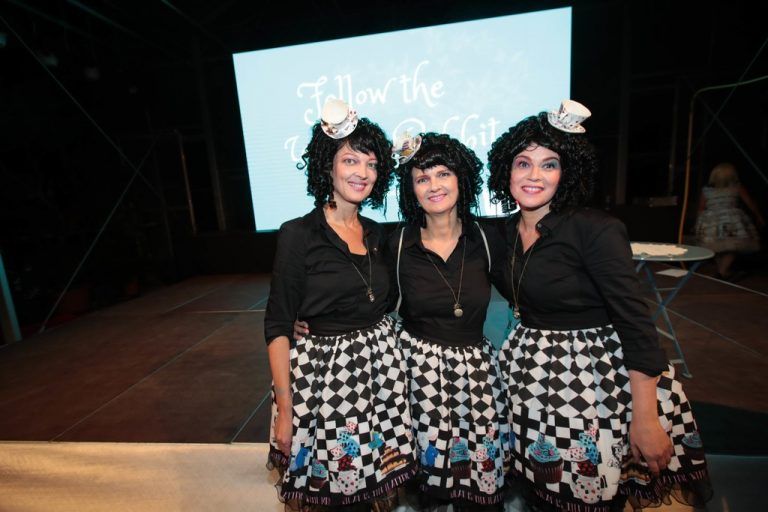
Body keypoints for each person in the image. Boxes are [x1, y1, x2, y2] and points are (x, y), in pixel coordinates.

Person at [487, 101, 712, 511]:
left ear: (567, 172)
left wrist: (645, 418)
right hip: (531, 380)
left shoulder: (595, 229)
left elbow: (636, 323)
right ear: (507, 170)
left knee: (601, 493)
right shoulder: (502, 233)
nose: (534, 175)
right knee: (552, 492)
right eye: (523, 163)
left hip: (597, 383)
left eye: (549, 164)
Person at [297, 132, 511, 510]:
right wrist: (305, 319)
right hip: (413, 380)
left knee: (478, 485)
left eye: (443, 174)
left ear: (461, 178)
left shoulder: (488, 237)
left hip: (475, 379)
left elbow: (529, 288)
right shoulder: (395, 243)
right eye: (422, 178)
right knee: (423, 489)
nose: (434, 186)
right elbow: (364, 294)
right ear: (411, 189)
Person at [265, 99, 416, 510]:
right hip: (323, 384)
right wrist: (285, 409)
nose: (362, 172)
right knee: (332, 492)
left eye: (371, 164)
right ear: (327, 166)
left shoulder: (378, 233)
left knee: (375, 486)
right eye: (350, 160)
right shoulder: (298, 234)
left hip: (379, 379)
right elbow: (277, 324)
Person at [694, 162, 764, 280]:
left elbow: (701, 208)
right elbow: (750, 203)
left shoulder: (707, 190)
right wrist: (758, 216)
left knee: (719, 246)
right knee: (733, 245)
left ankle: (722, 271)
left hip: (712, 221)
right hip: (731, 221)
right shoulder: (736, 187)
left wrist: (699, 223)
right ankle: (723, 271)